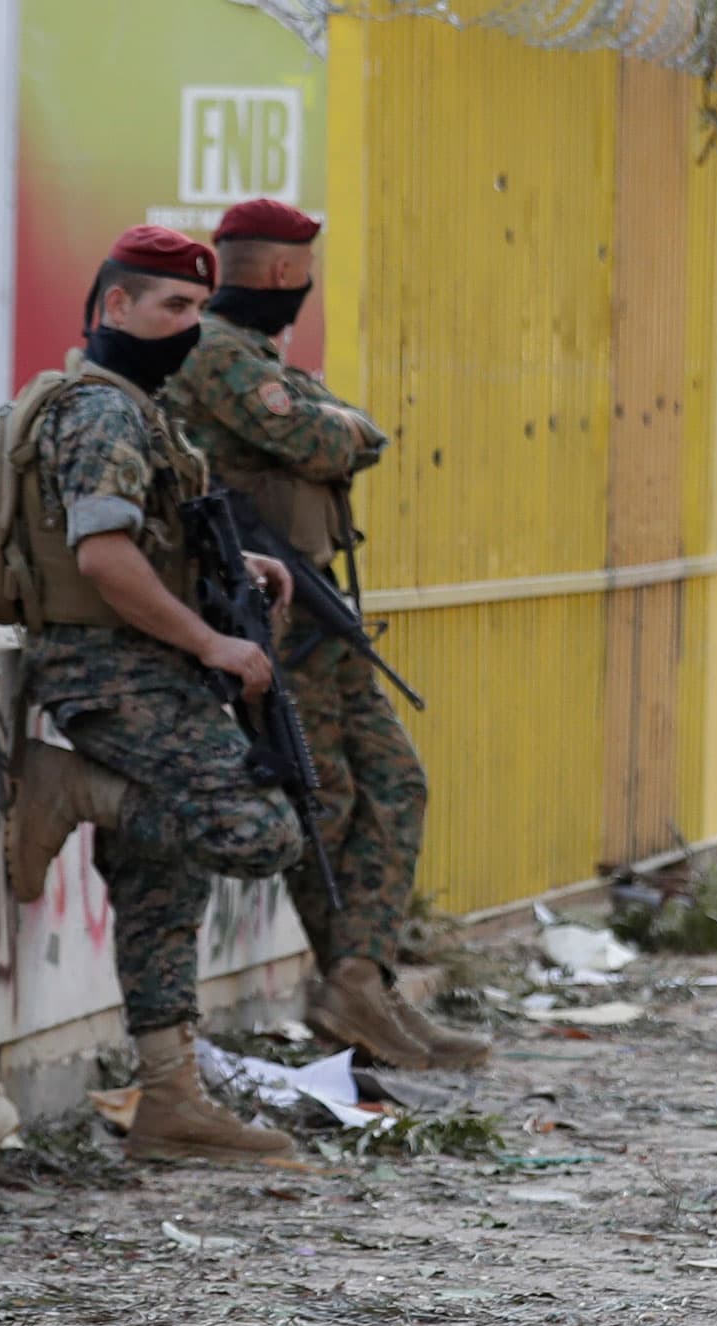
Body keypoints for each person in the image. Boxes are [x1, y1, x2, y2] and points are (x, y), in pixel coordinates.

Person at [3, 225, 311, 1161]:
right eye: (172, 306)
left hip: (141, 665)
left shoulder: (138, 407)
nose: (187, 325)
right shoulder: (102, 412)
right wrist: (213, 640)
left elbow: (145, 541)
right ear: (114, 308)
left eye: (197, 309)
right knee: (260, 830)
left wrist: (237, 568)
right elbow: (103, 557)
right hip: (110, 669)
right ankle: (70, 789)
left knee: (160, 877)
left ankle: (170, 1098)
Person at [163, 198, 487, 1071]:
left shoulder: (254, 356)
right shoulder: (221, 357)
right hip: (271, 614)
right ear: (281, 273)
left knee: (394, 782)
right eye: (303, 271)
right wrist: (345, 431)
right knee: (327, 798)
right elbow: (326, 436)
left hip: (314, 609)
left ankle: (362, 977)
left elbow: (351, 435)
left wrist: (347, 431)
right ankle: (350, 989)